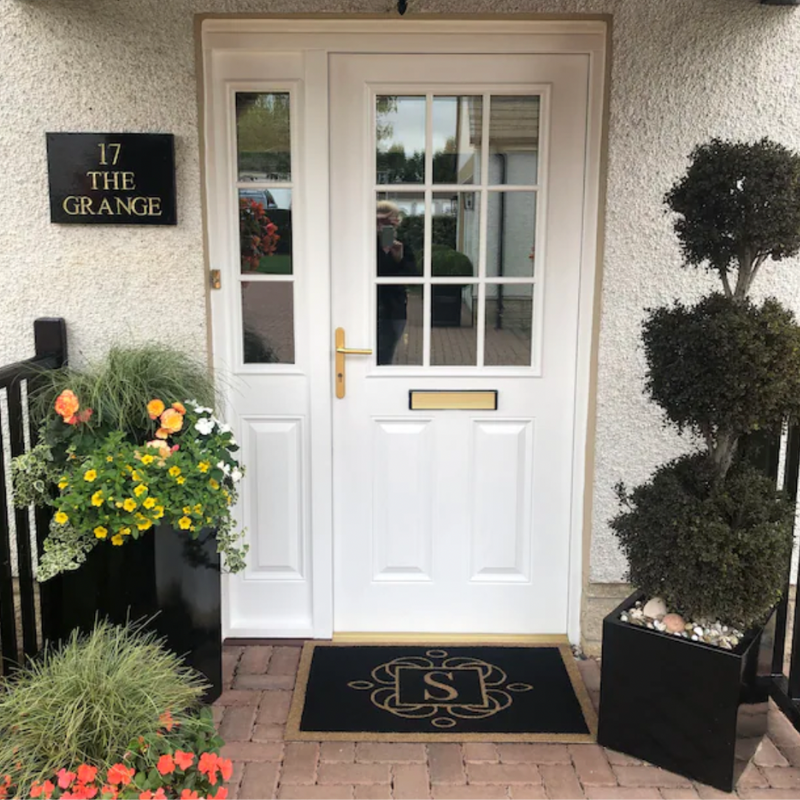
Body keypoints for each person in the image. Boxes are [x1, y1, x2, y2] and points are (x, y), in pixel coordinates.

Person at [376, 200, 418, 364]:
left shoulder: (401, 247)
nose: (384, 227)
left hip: (394, 309)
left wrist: (398, 257)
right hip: (367, 308)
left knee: (386, 353)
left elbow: (413, 277)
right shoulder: (363, 244)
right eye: (381, 222)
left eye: (390, 223)